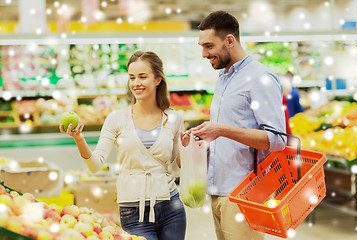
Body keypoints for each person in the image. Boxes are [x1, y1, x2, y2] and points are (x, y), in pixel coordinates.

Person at [60, 50, 190, 240]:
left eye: (142, 77)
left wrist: (188, 151)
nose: (136, 83)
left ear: (157, 80)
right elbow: (95, 166)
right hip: (134, 211)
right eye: (132, 77)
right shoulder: (116, 119)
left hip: (171, 207)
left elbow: (174, 169)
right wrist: (79, 139)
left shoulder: (174, 118)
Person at [191, 11, 287, 240]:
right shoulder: (223, 78)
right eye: (201, 46)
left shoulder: (260, 78)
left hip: (245, 193)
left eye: (209, 46)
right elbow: (229, 133)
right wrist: (202, 141)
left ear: (230, 41)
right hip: (218, 191)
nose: (204, 54)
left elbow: (277, 140)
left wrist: (222, 130)